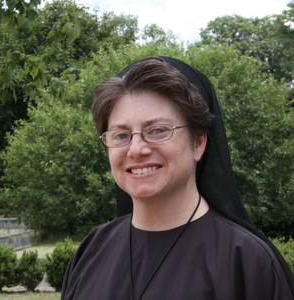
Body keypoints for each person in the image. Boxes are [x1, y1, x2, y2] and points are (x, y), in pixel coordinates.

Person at [61, 56, 294, 300]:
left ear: (198, 142)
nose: (136, 149)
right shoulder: (91, 250)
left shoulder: (246, 260)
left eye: (158, 130)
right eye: (121, 135)